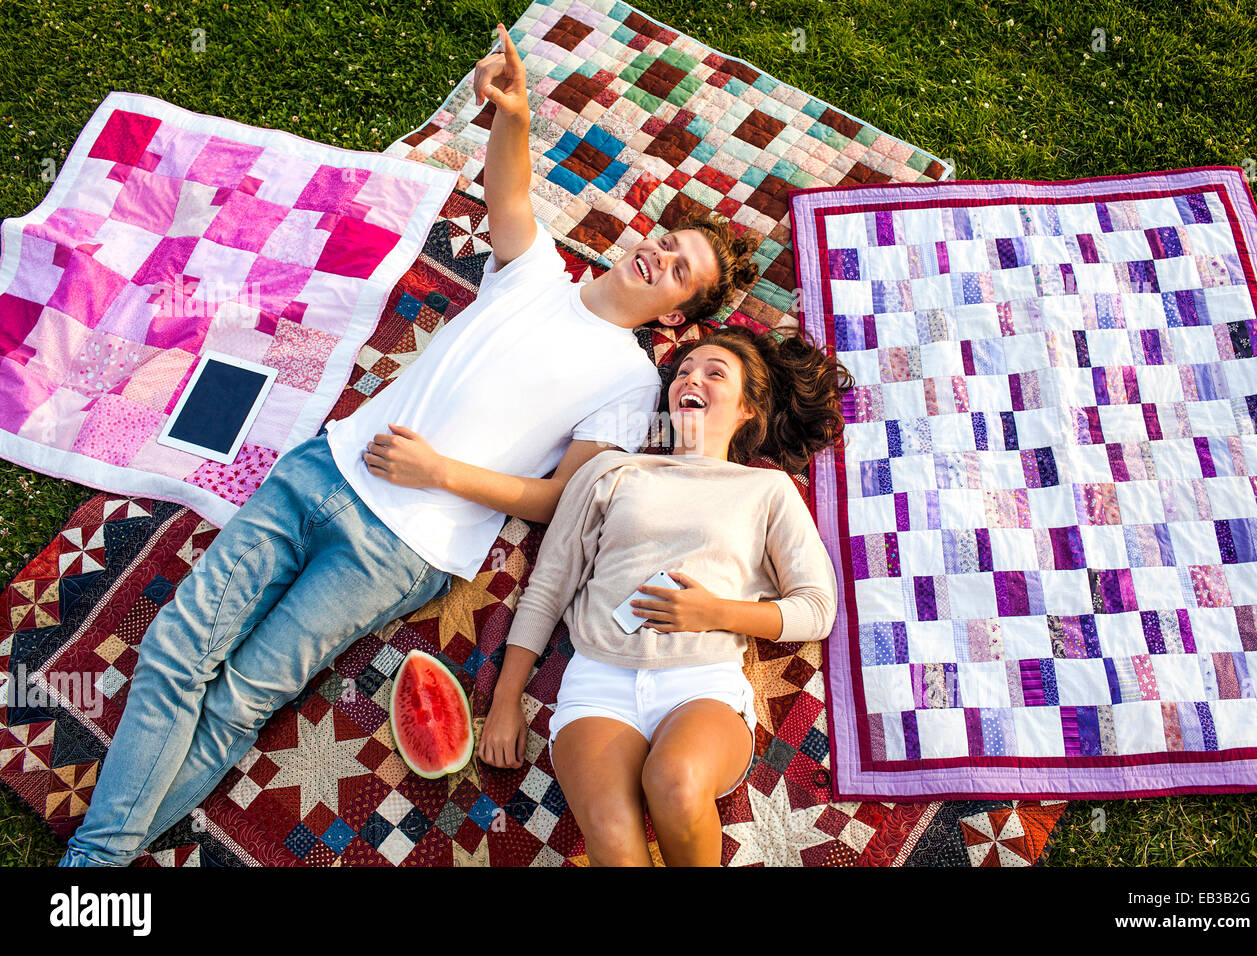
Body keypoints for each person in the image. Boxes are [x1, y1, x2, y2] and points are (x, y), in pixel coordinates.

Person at [60, 24, 759, 866]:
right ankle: (94, 872)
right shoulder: (537, 272)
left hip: (402, 547)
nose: (659, 257)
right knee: (177, 646)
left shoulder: (630, 384)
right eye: (666, 242)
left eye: (680, 270)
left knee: (240, 700)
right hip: (322, 469)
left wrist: (440, 472)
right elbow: (510, 192)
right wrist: (513, 116)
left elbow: (561, 503)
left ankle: (89, 875)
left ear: (677, 316)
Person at [478, 323, 854, 866]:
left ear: (748, 407)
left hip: (699, 684)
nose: (690, 379)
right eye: (682, 371)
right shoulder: (613, 470)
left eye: (713, 372)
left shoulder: (766, 491)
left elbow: (817, 609)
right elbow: (547, 588)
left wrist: (716, 612)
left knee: (674, 783)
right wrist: (505, 701)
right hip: (597, 683)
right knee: (609, 832)